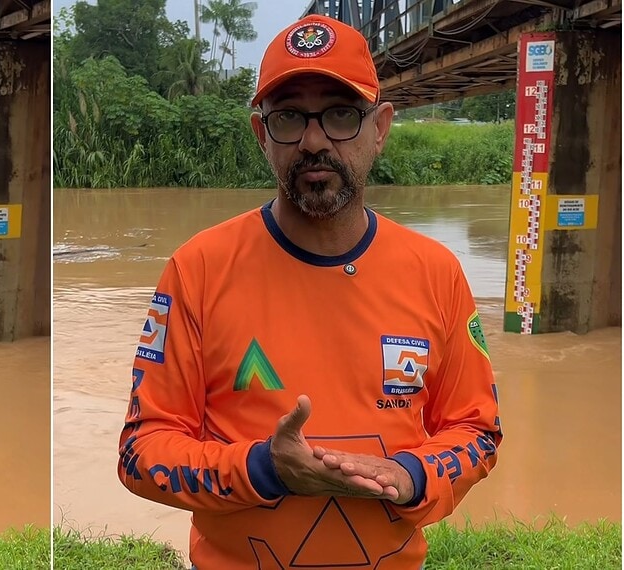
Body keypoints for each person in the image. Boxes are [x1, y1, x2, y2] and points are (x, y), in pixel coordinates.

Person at [117, 14, 502, 570]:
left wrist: (411, 474)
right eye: (290, 117)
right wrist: (263, 470)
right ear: (261, 134)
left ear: (381, 127)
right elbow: (141, 451)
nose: (314, 140)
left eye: (341, 114)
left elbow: (478, 429)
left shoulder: (436, 272)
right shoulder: (198, 269)